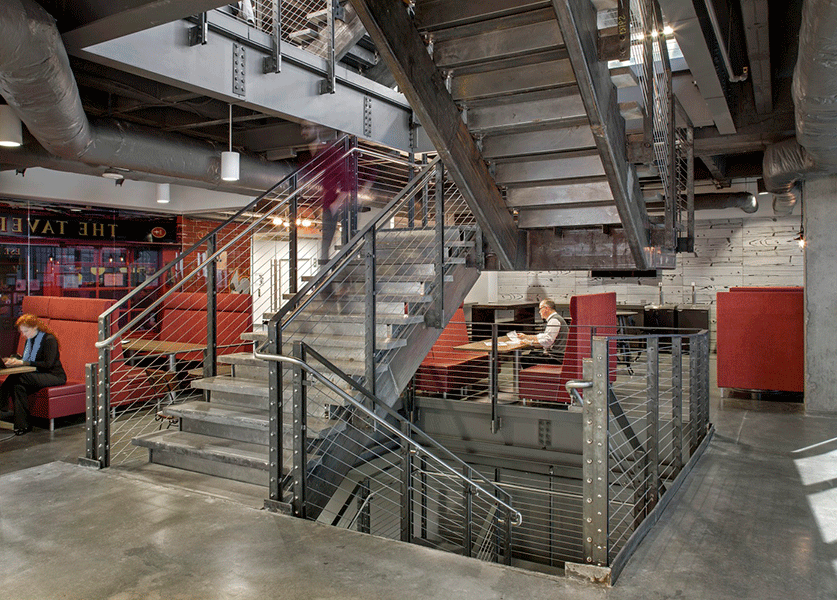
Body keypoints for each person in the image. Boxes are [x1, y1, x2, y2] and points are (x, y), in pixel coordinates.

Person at [1, 314, 67, 435]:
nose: (24, 334)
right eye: (22, 332)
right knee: (18, 386)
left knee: (17, 377)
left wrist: (23, 362)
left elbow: (48, 364)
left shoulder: (49, 339)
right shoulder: (29, 341)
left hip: (54, 376)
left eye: (26, 331)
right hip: (37, 375)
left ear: (35, 327)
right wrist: (15, 362)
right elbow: (28, 361)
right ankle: (22, 426)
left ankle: (1, 403)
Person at [518, 299, 568, 366]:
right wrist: (526, 336)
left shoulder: (554, 320)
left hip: (556, 357)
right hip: (556, 355)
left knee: (525, 359)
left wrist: (530, 342)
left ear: (546, 308)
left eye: (540, 309)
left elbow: (547, 342)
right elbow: (544, 336)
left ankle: (532, 375)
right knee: (532, 353)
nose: (539, 312)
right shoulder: (555, 319)